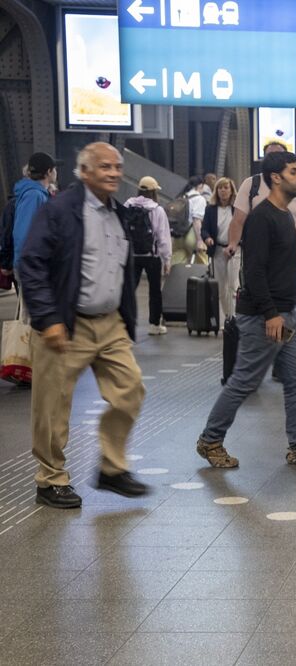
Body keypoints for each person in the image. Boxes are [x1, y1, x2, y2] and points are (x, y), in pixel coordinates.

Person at [18, 142, 148, 508]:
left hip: (109, 323)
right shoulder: (60, 211)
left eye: (117, 166)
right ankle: (50, 479)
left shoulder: (118, 214)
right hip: (65, 322)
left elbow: (123, 270)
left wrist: (127, 319)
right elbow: (31, 263)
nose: (113, 173)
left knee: (130, 390)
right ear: (85, 172)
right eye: (104, 166)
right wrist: (49, 319)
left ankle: (112, 468)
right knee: (52, 406)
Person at [195, 151, 296, 470]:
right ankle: (210, 439)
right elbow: (254, 271)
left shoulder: (286, 214)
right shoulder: (261, 219)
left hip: (286, 315)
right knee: (244, 380)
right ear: (276, 177)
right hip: (262, 316)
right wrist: (271, 313)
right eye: (293, 171)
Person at [225, 141, 296, 315]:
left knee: (293, 299)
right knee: (258, 293)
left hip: (288, 258)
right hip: (258, 255)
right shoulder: (251, 185)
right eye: (269, 155)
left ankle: (292, 332)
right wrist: (233, 244)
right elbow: (237, 221)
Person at [124, 176, 172, 335]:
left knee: (129, 289)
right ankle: (154, 324)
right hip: (152, 256)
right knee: (154, 290)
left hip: (132, 254)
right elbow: (162, 236)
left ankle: (124, 321)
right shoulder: (157, 210)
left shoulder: (128, 205)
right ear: (153, 192)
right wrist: (167, 259)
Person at [11, 153, 59, 280]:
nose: (56, 172)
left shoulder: (38, 194)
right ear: (49, 172)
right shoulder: (34, 195)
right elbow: (22, 233)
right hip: (31, 268)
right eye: (54, 169)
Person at [202, 176, 238, 321]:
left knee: (233, 286)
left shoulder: (237, 209)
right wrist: (207, 238)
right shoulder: (210, 209)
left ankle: (234, 317)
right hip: (217, 251)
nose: (223, 191)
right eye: (220, 188)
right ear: (216, 191)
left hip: (235, 251)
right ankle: (227, 317)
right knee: (221, 288)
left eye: (226, 188)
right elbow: (204, 229)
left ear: (231, 191)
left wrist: (235, 244)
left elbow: (243, 228)